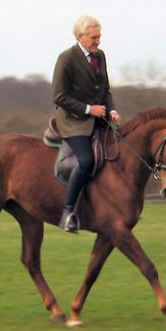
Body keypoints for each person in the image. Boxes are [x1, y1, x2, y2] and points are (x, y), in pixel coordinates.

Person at [52, 15, 121, 233]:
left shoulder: (100, 56)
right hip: (73, 122)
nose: (98, 41)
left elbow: (105, 90)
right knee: (86, 160)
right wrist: (90, 109)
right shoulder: (66, 59)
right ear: (80, 37)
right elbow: (59, 97)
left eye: (99, 36)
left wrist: (111, 110)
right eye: (94, 37)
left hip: (99, 118)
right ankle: (68, 212)